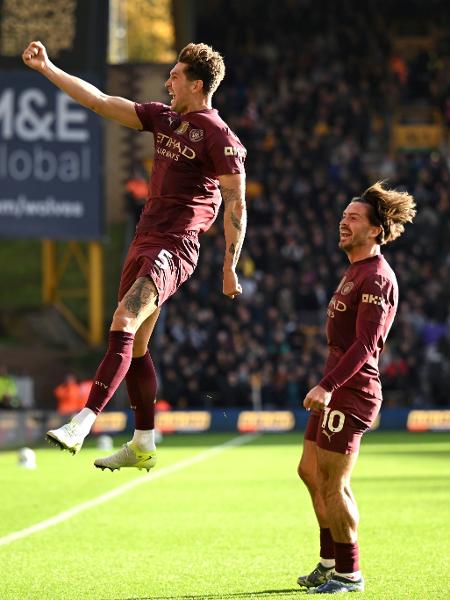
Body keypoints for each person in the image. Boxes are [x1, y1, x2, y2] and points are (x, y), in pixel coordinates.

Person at [22, 40, 247, 471]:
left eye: (176, 76)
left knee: (124, 319)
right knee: (138, 345)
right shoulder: (163, 119)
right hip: (144, 240)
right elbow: (102, 102)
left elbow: (236, 202)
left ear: (197, 85)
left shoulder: (220, 136)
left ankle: (84, 420)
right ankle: (143, 441)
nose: (168, 82)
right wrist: (48, 68)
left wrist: (229, 265)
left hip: (175, 246)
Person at [297, 182, 416, 594]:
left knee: (335, 484)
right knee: (310, 472)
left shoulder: (378, 278)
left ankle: (349, 573)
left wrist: (328, 385)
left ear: (376, 231)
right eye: (343, 216)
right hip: (339, 387)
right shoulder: (354, 271)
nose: (342, 222)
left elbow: (366, 346)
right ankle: (329, 562)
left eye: (353, 218)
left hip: (352, 392)